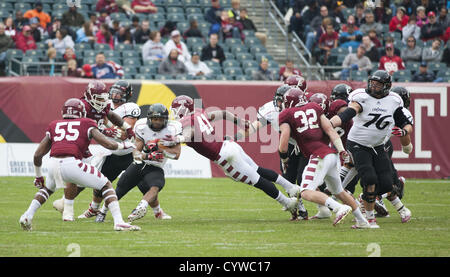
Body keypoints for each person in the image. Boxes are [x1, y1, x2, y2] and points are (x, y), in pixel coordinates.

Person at [164, 95, 300, 217]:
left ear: (183, 109)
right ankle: (291, 187)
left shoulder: (186, 122)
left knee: (257, 180)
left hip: (224, 156)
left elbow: (189, 133)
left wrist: (176, 139)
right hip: (229, 146)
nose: (174, 114)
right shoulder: (199, 113)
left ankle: (288, 202)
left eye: (176, 110)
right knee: (257, 170)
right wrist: (240, 122)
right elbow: (223, 113)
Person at [20, 98, 139, 232]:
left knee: (47, 189)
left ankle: (27, 215)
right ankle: (118, 222)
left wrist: (38, 176)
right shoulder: (86, 122)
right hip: (72, 163)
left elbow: (37, 154)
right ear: (82, 112)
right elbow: (107, 144)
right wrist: (124, 145)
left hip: (53, 163)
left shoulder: (54, 124)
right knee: (106, 185)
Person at [329, 70, 413, 228]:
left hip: (378, 145)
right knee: (369, 179)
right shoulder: (361, 97)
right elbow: (348, 113)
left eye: (378, 84)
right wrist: (331, 124)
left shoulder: (394, 100)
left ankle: (397, 209)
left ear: (387, 86)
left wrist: (404, 131)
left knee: (387, 183)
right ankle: (368, 220)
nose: (373, 87)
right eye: (372, 83)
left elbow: (406, 123)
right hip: (357, 144)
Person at [278, 88, 372, 229]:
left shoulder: (286, 114)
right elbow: (330, 130)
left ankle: (338, 208)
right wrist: (341, 150)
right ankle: (362, 221)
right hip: (331, 154)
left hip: (318, 156)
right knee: (338, 191)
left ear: (288, 102)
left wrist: (285, 160)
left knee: (305, 192)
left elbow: (283, 146)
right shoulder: (314, 107)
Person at [51, 81, 136, 220]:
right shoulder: (81, 106)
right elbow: (81, 126)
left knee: (88, 171)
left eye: (104, 97)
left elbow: (109, 114)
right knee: (82, 173)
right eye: (99, 98)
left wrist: (127, 127)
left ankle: (66, 204)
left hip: (85, 142)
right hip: (75, 141)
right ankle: (68, 207)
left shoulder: (105, 104)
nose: (103, 101)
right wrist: (106, 130)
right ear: (89, 96)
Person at [234, 84, 309, 220]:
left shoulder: (302, 107)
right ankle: (300, 209)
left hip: (308, 144)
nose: (278, 103)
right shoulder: (271, 110)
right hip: (289, 145)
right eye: (278, 100)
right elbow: (253, 127)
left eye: (282, 100)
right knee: (288, 179)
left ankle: (328, 206)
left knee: (305, 179)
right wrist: (234, 138)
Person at [77, 81, 141, 221]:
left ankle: (157, 210)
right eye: (114, 91)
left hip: (129, 151)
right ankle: (93, 209)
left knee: (144, 182)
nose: (115, 95)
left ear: (127, 95)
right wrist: (106, 128)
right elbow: (104, 124)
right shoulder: (103, 105)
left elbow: (124, 133)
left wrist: (105, 129)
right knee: (100, 181)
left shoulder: (130, 107)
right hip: (111, 151)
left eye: (120, 93)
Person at [111, 104, 180, 222]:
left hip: (156, 165)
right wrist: (147, 155)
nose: (157, 122)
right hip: (141, 163)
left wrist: (161, 150)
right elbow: (136, 152)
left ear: (166, 120)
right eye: (155, 119)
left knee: (155, 184)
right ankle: (101, 211)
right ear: (149, 119)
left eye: (160, 119)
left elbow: (176, 155)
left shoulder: (173, 129)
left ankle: (154, 210)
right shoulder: (141, 126)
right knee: (123, 187)